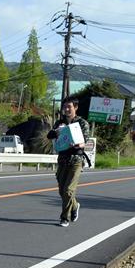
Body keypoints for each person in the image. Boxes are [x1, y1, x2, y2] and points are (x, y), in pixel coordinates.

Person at [47, 96, 90, 227]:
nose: (66, 109)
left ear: (75, 107)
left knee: (68, 190)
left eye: (69, 107)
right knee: (62, 191)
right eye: (64, 107)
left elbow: (84, 141)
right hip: (62, 159)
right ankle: (75, 205)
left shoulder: (82, 123)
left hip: (76, 160)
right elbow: (50, 136)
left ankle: (64, 218)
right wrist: (56, 131)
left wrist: (78, 144)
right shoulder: (59, 123)